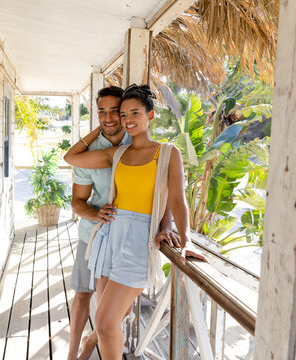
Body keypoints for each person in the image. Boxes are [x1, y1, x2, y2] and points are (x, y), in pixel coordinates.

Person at [64, 84, 206, 359]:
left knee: (106, 322)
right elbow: (71, 158)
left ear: (150, 115)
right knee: (108, 322)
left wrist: (184, 240)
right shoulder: (117, 154)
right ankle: (88, 345)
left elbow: (176, 200)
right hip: (108, 236)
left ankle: (89, 344)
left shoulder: (167, 153)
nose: (128, 120)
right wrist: (101, 130)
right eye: (123, 114)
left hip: (139, 241)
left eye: (135, 113)